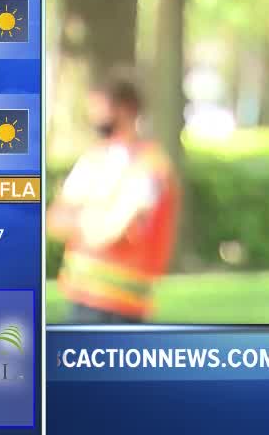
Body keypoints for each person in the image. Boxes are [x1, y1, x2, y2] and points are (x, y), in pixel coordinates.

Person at [47, 71, 181, 324]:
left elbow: (112, 230)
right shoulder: (94, 158)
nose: (93, 116)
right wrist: (97, 213)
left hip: (122, 305)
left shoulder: (150, 165)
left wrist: (86, 213)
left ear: (125, 109)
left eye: (100, 107)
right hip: (82, 298)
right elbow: (55, 219)